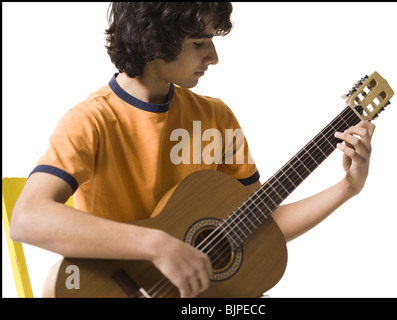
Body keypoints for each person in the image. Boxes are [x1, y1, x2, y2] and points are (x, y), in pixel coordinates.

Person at [10, 2, 375, 298]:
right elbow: (28, 218)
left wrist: (347, 188)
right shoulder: (92, 121)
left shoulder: (216, 117)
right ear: (154, 41)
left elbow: (260, 225)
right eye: (200, 43)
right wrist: (157, 245)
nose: (214, 56)